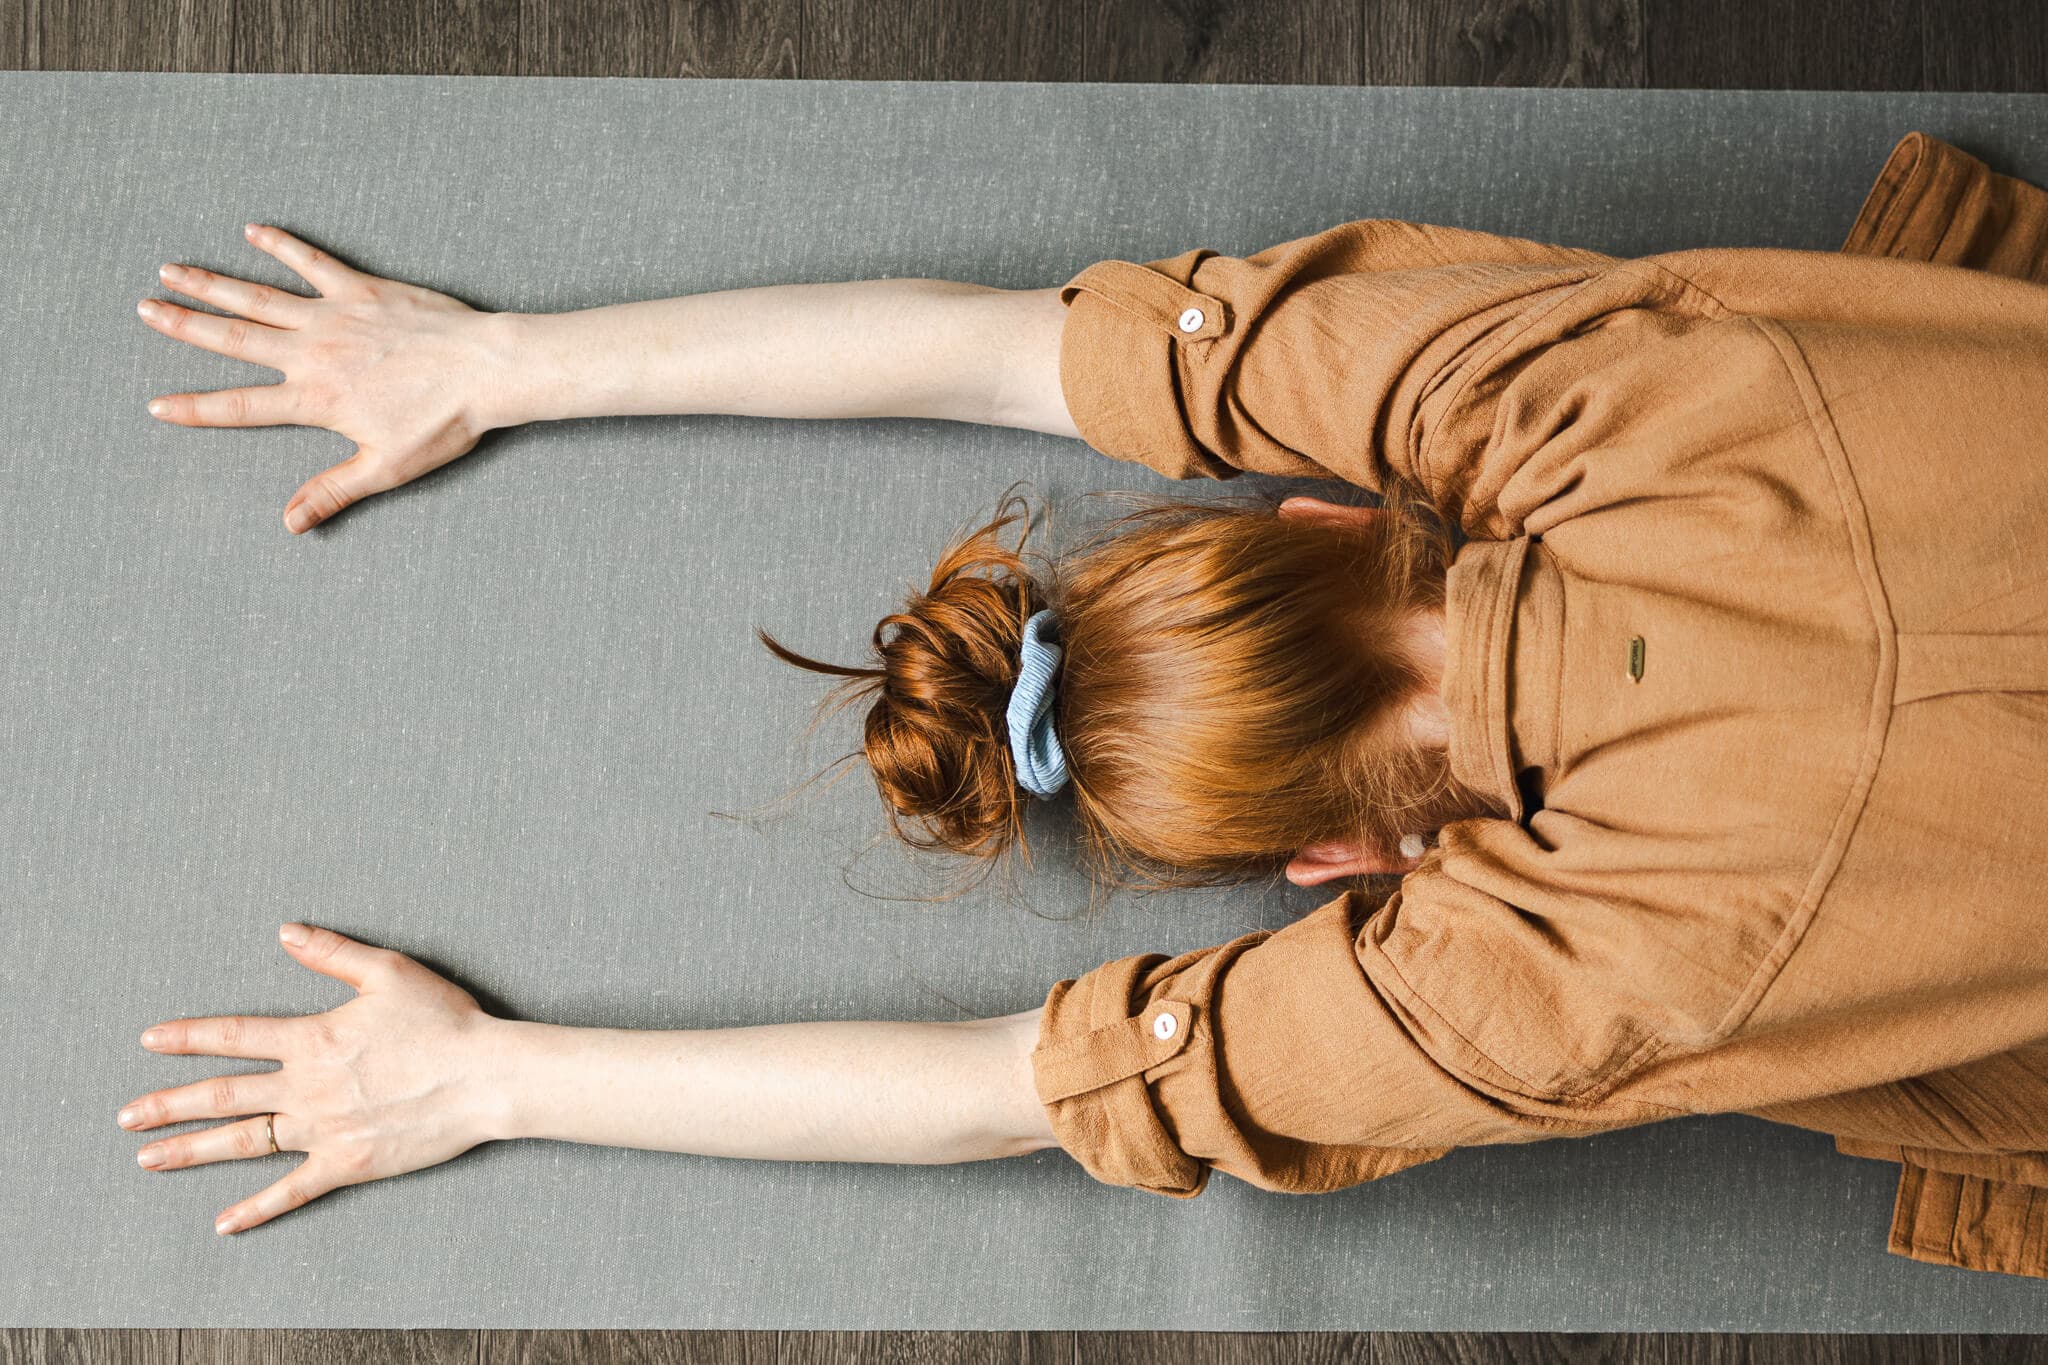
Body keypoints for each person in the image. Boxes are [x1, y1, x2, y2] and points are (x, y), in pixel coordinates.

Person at [117, 132, 2048, 1279]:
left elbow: (993, 1094)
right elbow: (994, 350)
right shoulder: (1558, 398)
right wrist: (500, 361)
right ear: (1320, 509)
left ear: (1328, 862)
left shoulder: (1510, 979)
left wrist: (495, 1077)